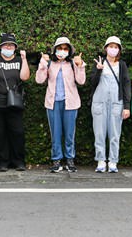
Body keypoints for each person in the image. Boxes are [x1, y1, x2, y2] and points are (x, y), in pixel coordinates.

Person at [36, 36, 86, 173]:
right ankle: (56, 160)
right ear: (55, 50)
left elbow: (81, 81)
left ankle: (70, 159)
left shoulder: (72, 63)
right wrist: (42, 64)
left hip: (70, 103)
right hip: (53, 103)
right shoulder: (50, 64)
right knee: (55, 132)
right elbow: (39, 80)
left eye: (65, 49)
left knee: (70, 133)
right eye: (60, 48)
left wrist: (80, 65)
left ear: (69, 51)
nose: (62, 51)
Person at [0, 33, 30, 172]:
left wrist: (24, 59)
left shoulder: (19, 60)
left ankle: (18, 161)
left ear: (15, 48)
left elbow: (25, 77)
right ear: (1, 47)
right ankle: (2, 161)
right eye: (6, 45)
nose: (8, 47)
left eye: (11, 45)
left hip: (14, 103)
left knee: (17, 132)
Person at [90, 36, 132, 173]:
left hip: (116, 102)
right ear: (106, 48)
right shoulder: (99, 62)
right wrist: (98, 70)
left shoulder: (122, 65)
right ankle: (101, 160)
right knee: (99, 132)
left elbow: (126, 85)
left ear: (119, 50)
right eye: (110, 46)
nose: (113, 49)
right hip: (99, 102)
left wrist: (126, 106)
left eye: (116, 47)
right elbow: (92, 83)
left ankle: (113, 161)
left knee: (115, 133)